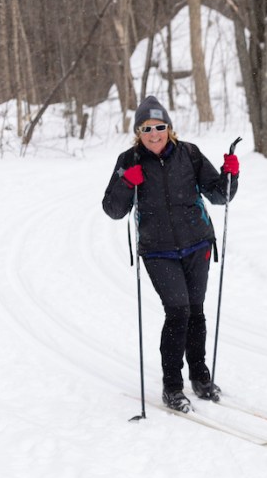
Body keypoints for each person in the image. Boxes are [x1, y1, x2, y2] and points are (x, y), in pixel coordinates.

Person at [102, 96, 239, 413]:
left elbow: (219, 195)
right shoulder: (130, 160)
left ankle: (201, 378)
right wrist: (126, 182)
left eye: (160, 126)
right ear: (138, 131)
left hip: (198, 245)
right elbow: (113, 209)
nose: (154, 133)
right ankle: (172, 387)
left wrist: (231, 174)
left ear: (169, 128)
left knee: (195, 310)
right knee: (177, 312)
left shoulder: (189, 154)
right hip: (158, 251)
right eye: (147, 128)